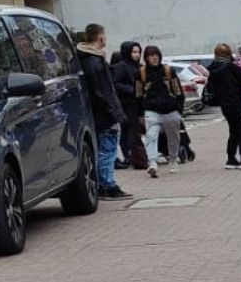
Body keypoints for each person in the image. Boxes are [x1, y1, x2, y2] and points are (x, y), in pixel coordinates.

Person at [77, 24, 130, 200]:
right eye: (104, 36)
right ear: (100, 38)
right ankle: (108, 185)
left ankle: (103, 184)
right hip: (103, 115)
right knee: (107, 150)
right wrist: (115, 112)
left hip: (95, 114)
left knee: (102, 150)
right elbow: (103, 91)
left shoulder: (85, 59)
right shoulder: (95, 62)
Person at [205, 44, 241, 170]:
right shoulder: (231, 67)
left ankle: (231, 159)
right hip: (239, 103)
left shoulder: (211, 69)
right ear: (229, 54)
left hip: (225, 105)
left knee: (233, 130)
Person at [137, 46, 185, 178]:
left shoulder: (168, 71)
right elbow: (138, 94)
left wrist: (179, 108)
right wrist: (140, 112)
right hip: (151, 110)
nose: (154, 57)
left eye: (156, 55)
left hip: (170, 109)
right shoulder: (141, 73)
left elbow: (178, 90)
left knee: (173, 137)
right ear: (146, 58)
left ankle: (173, 159)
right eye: (151, 55)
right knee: (151, 136)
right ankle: (152, 163)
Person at [111, 42, 149, 171]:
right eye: (134, 52)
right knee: (130, 130)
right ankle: (130, 156)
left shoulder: (140, 67)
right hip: (128, 104)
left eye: (138, 52)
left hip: (140, 103)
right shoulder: (122, 66)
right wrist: (132, 90)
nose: (137, 55)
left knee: (136, 130)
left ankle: (136, 155)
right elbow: (116, 84)